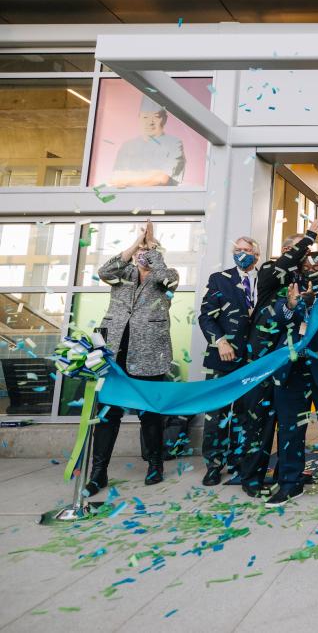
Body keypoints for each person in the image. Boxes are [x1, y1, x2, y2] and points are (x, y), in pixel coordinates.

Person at [85, 220, 179, 496]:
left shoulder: (165, 275)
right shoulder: (121, 274)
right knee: (107, 416)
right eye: (141, 250)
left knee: (149, 415)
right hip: (114, 354)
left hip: (149, 356)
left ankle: (154, 464)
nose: (143, 253)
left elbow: (167, 279)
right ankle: (98, 473)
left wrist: (153, 254)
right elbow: (104, 270)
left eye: (148, 249)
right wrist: (136, 243)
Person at [236, 217, 318, 498]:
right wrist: (309, 236)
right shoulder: (272, 270)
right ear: (286, 250)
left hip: (290, 361)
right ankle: (251, 477)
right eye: (299, 250)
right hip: (263, 358)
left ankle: (286, 472)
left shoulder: (301, 280)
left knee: (287, 421)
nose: (305, 255)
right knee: (258, 422)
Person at [265, 251, 318, 507]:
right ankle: (289, 484)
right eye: (306, 265)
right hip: (292, 370)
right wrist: (293, 305)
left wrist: (316, 304)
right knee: (290, 431)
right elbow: (275, 320)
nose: (311, 270)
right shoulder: (287, 288)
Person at [197, 236, 261, 487]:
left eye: (247, 250)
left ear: (257, 254)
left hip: (252, 361)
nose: (242, 254)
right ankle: (214, 464)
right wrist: (220, 341)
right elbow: (206, 317)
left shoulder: (263, 281)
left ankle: (238, 462)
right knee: (217, 414)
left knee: (245, 414)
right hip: (222, 358)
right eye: (238, 250)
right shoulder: (219, 280)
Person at [109, 96, 186, 188]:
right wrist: (150, 176)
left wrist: (127, 177)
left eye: (156, 117)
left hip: (161, 200)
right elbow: (115, 178)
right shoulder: (128, 146)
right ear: (139, 118)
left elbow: (161, 178)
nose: (150, 122)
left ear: (164, 119)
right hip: (129, 200)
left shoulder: (174, 144)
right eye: (145, 117)